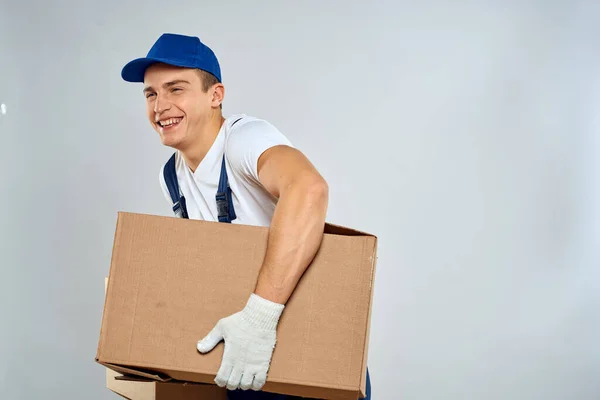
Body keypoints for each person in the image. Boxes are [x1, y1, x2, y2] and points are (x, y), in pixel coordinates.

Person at [120, 33, 371, 400]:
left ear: (215, 95)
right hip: (244, 364)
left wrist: (260, 317)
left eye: (176, 89)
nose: (160, 106)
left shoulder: (244, 140)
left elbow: (308, 188)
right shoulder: (171, 176)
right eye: (151, 93)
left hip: (307, 356)